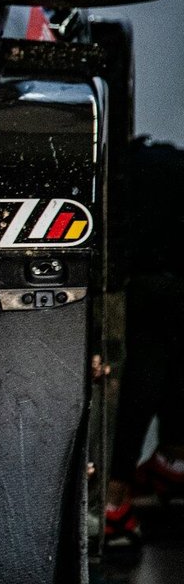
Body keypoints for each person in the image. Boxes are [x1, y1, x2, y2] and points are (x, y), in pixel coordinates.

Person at [105, 138, 184, 548]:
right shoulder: (167, 161)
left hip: (144, 276)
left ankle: (113, 499)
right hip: (172, 270)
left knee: (140, 369)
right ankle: (174, 460)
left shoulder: (129, 168)